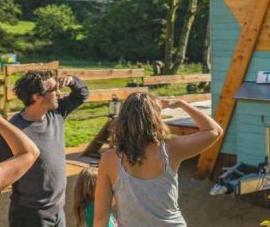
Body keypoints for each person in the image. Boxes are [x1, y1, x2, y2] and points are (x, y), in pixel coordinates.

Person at [94, 92, 223, 227]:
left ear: (123, 120)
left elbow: (101, 217)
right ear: (155, 118)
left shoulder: (109, 159)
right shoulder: (171, 149)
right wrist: (181, 104)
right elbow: (214, 131)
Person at [0, 70, 89, 227]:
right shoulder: (13, 131)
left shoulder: (57, 112)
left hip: (58, 212)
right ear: (37, 96)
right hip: (29, 217)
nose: (59, 94)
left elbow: (82, 94)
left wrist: (72, 81)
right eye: (54, 90)